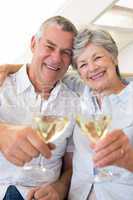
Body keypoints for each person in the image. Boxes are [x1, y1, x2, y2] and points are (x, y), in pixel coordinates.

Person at [0, 15, 79, 200]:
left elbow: (71, 165)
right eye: (49, 47)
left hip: (40, 194)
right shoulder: (2, 84)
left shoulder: (75, 102)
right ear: (34, 43)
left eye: (65, 52)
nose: (56, 58)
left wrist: (61, 187)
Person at [68, 28, 133, 200]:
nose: (92, 68)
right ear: (79, 73)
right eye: (83, 64)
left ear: (114, 58)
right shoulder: (80, 94)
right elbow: (49, 71)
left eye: (97, 58)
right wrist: (8, 68)